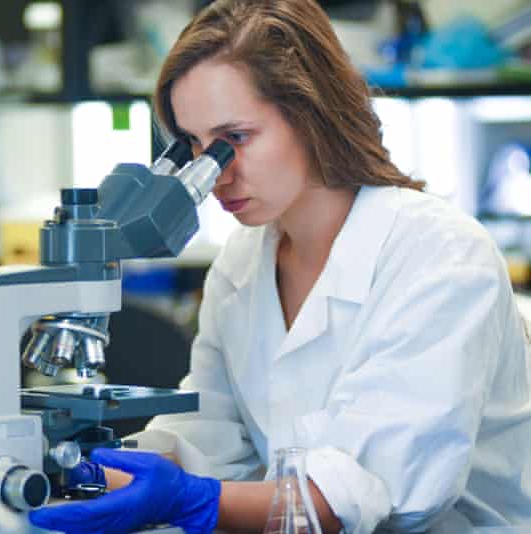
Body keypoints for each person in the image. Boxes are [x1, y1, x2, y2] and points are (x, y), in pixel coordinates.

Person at [28, 0, 531, 533]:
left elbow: (380, 494)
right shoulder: (242, 264)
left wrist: (187, 500)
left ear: (311, 113)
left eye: (235, 140)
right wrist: (96, 472)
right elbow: (213, 438)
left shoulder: (440, 255)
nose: (216, 174)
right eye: (195, 146)